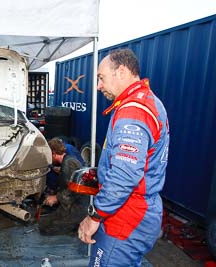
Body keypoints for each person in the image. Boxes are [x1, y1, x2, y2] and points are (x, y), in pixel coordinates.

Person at [78, 49, 169, 266]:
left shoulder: (134, 111)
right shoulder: (149, 101)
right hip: (139, 210)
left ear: (121, 71)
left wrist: (95, 215)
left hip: (126, 215)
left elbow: (125, 176)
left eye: (101, 78)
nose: (98, 86)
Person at [39, 138, 89, 235]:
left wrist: (56, 198)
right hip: (71, 205)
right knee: (45, 223)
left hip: (76, 208)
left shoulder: (68, 164)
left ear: (53, 153)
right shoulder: (67, 161)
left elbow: (74, 190)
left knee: (45, 228)